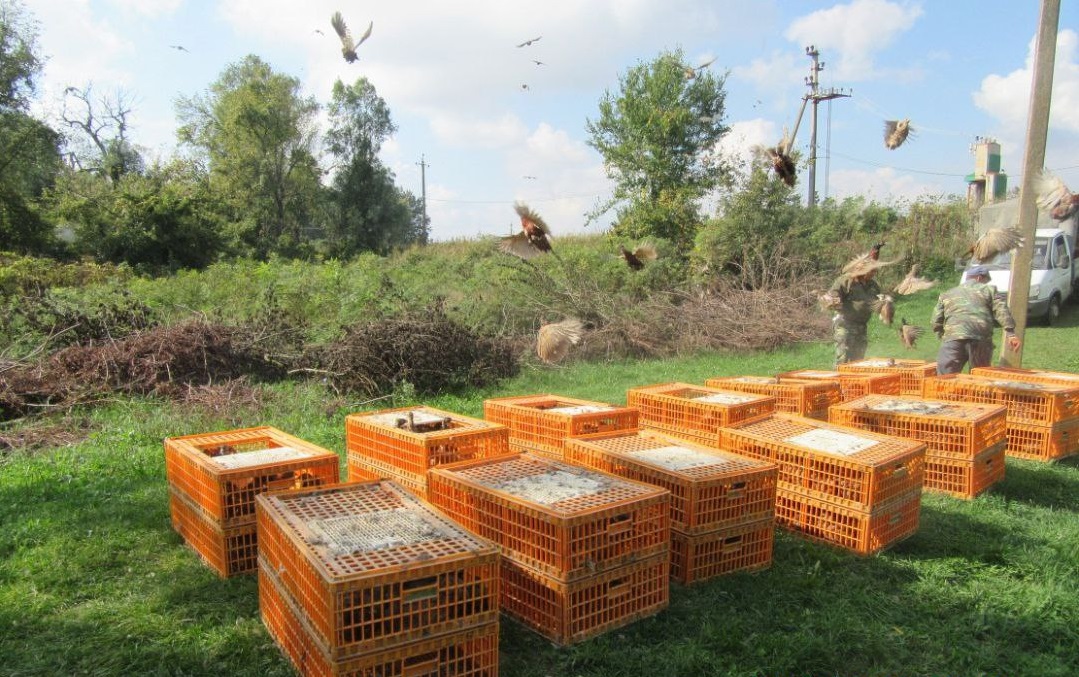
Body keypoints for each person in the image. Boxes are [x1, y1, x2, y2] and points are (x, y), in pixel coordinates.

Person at [931, 264, 1021, 374]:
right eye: (985, 280)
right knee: (979, 375)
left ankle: (946, 391)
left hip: (953, 338)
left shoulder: (947, 293)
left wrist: (940, 333)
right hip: (980, 338)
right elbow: (1001, 310)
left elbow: (936, 319)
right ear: (979, 278)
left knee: (945, 377)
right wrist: (1010, 333)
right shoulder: (989, 290)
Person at [823, 254, 890, 366]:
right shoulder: (845, 281)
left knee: (858, 361)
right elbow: (832, 296)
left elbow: (879, 302)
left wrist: (886, 305)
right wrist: (832, 301)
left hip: (861, 326)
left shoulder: (873, 285)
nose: (874, 274)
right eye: (872, 271)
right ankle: (839, 382)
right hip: (844, 324)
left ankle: (854, 382)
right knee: (843, 356)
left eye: (875, 271)